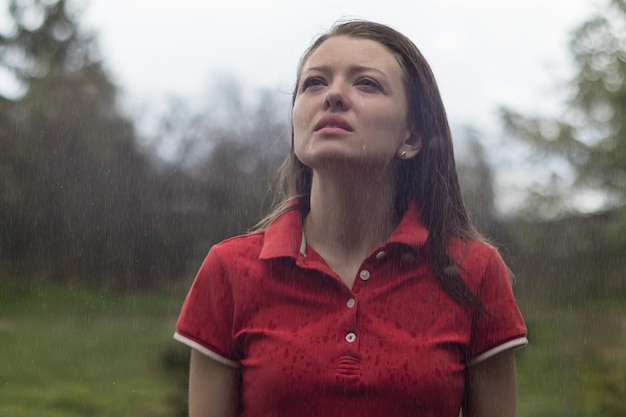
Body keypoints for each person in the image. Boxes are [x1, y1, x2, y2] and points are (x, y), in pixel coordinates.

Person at [174, 19, 528, 417]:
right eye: (314, 83)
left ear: (411, 137)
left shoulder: (473, 271)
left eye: (366, 84)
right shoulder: (229, 271)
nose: (334, 96)